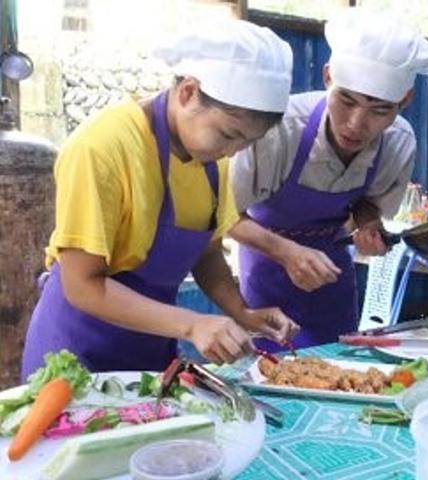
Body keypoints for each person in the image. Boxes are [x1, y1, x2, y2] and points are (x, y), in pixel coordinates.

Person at [21, 20, 300, 379]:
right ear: (188, 92)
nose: (232, 153)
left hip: (149, 351)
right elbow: (83, 285)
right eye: (228, 135)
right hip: (76, 354)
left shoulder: (213, 161)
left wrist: (241, 312)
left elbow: (207, 252)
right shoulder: (102, 148)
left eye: (246, 143)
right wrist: (191, 324)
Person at [229, 8, 428, 351]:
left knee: (341, 369)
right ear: (328, 76)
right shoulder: (279, 130)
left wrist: (368, 224)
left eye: (380, 110)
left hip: (333, 279)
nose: (356, 124)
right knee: (267, 373)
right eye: (346, 100)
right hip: (265, 275)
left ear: (404, 100)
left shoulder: (399, 141)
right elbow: (220, 215)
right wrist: (285, 252)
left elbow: (368, 203)